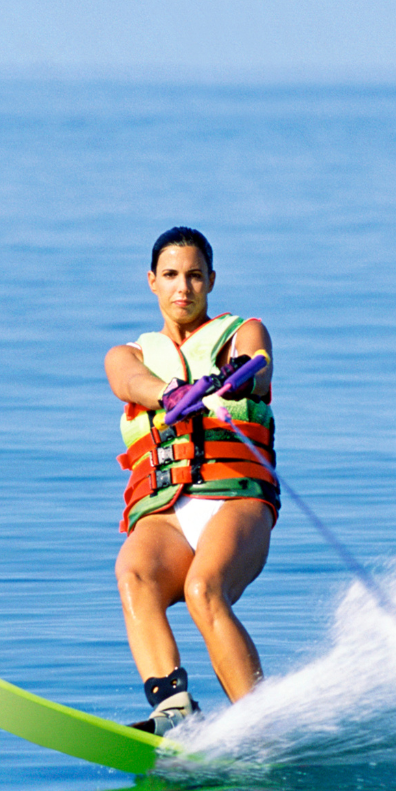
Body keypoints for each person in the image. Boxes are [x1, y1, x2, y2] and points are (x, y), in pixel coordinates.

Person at [105, 227, 277, 735]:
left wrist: (238, 375)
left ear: (211, 281)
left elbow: (259, 364)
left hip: (234, 499)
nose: (184, 287)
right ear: (152, 282)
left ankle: (259, 727)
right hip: (167, 514)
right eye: (172, 276)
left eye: (195, 276)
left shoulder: (243, 331)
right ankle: (175, 710)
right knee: (132, 573)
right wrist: (170, 394)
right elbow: (131, 383)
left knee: (205, 588)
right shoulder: (127, 354)